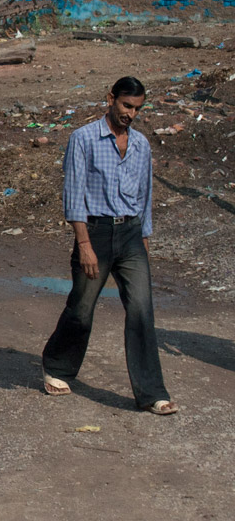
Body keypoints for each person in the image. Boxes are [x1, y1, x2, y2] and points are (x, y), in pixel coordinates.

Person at [40, 76, 178, 415]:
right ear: (110, 99)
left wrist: (144, 241)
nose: (131, 114)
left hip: (131, 235)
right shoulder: (83, 139)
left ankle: (152, 394)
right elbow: (73, 196)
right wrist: (84, 244)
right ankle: (56, 367)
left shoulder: (141, 145)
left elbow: (144, 197)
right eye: (126, 106)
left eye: (137, 109)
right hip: (96, 234)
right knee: (82, 309)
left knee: (142, 311)